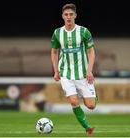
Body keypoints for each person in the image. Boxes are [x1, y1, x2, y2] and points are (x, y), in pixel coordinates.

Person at [50, 3, 97, 136]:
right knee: (74, 101)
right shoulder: (57, 33)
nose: (68, 17)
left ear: (75, 16)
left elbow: (91, 51)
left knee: (91, 106)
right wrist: (56, 71)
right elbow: (54, 52)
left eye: (71, 14)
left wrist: (89, 71)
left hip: (83, 74)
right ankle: (87, 127)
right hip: (66, 73)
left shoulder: (84, 31)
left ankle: (92, 94)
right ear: (62, 16)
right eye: (66, 14)